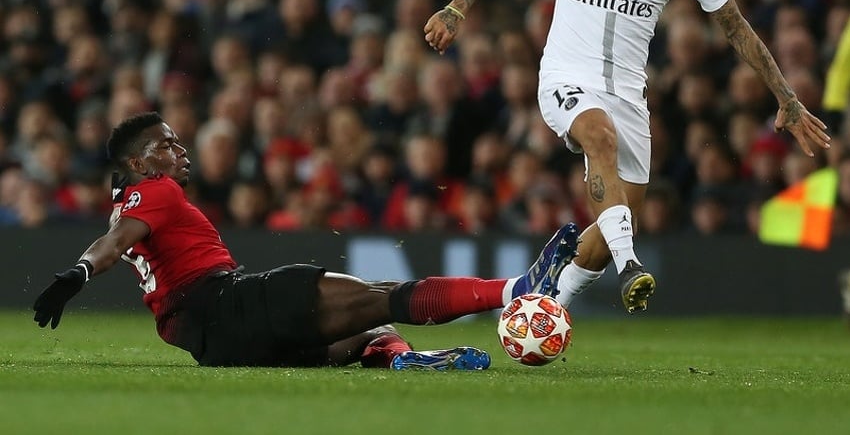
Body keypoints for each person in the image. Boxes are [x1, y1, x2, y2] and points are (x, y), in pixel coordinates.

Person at [423, 0, 831, 314]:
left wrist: (788, 99)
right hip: (565, 76)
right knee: (600, 139)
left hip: (629, 98)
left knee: (611, 227)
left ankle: (544, 308)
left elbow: (736, 28)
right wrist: (457, 7)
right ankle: (631, 266)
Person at [33, 112, 579, 369]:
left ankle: (402, 360)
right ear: (138, 163)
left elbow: (115, 236)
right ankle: (518, 288)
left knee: (368, 330)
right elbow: (113, 243)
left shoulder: (126, 198)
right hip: (228, 302)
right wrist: (78, 274)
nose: (180, 151)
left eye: (177, 142)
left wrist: (77, 272)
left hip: (211, 345)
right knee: (385, 296)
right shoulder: (157, 192)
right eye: (166, 145)